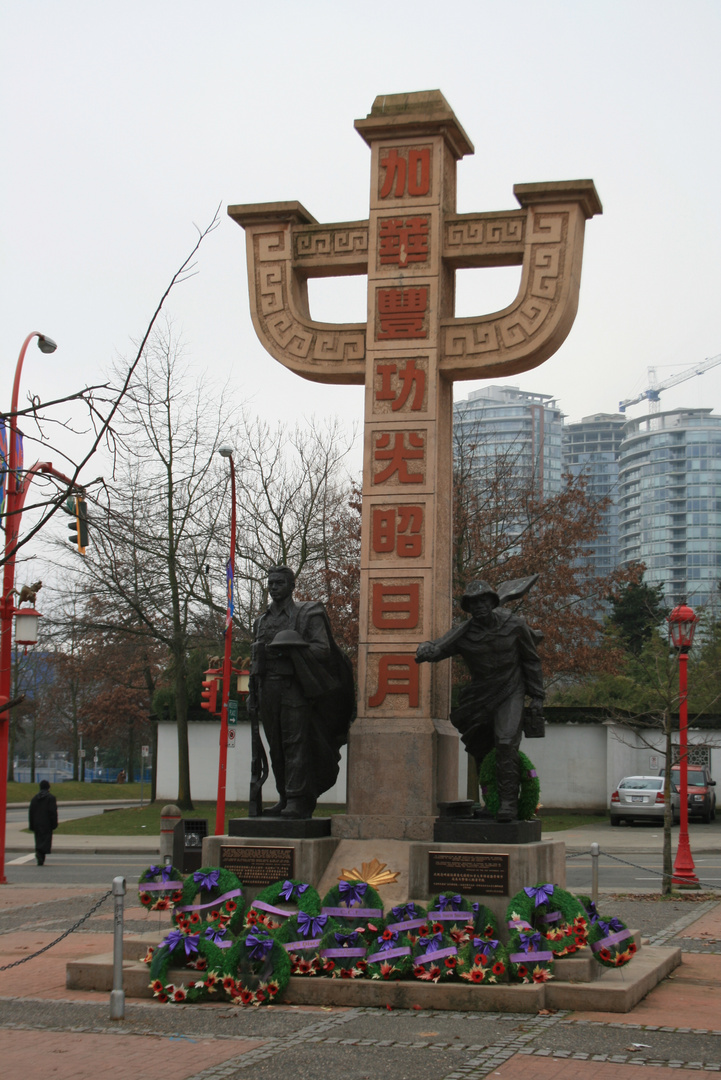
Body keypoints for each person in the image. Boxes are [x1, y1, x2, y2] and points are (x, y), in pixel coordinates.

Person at [416, 579, 544, 822]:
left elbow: (531, 660)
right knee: (482, 750)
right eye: (473, 603)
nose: (479, 607)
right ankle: (491, 801)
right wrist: (426, 649)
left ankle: (508, 803)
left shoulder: (515, 625)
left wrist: (537, 696)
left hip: (510, 691)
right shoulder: (463, 633)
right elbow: (439, 647)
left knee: (505, 742)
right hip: (480, 697)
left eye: (484, 601)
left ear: (493, 602)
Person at [249, 566, 355, 819]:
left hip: (295, 688)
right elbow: (255, 661)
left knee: (295, 743)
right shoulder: (261, 621)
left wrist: (292, 648)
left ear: (291, 586)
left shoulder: (308, 614)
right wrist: (253, 694)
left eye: (279, 583)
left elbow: (323, 650)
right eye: (271, 583)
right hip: (268, 690)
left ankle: (298, 799)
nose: (273, 587)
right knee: (276, 747)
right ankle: (284, 796)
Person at [28, 779, 58, 866]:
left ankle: (39, 853)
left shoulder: (34, 798)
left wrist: (31, 824)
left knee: (38, 840)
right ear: (48, 787)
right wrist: (54, 823)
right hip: (47, 823)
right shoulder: (51, 798)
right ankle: (41, 855)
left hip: (37, 823)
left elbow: (31, 812)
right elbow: (52, 812)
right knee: (45, 840)